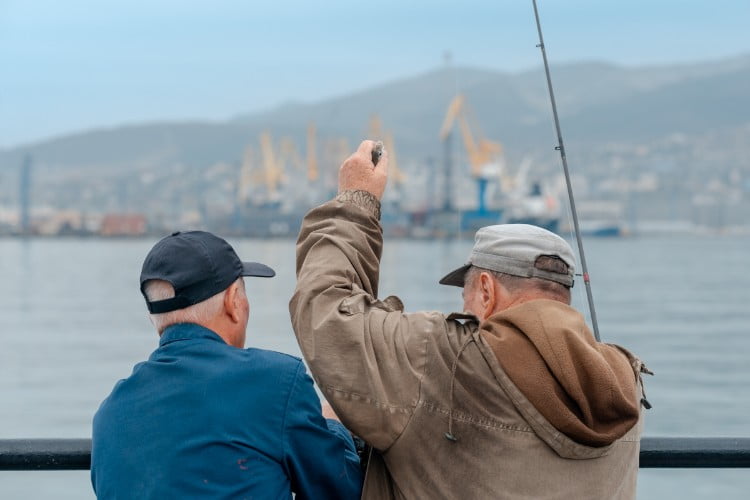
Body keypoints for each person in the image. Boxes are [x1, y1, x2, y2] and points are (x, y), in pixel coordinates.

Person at [290, 141, 651, 499]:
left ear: (486, 290)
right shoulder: (625, 383)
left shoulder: (446, 361)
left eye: (465, 297)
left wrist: (356, 201)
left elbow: (326, 309)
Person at [92, 230, 362, 499]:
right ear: (233, 301)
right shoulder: (276, 383)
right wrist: (333, 425)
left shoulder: (109, 414)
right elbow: (340, 490)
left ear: (154, 318)